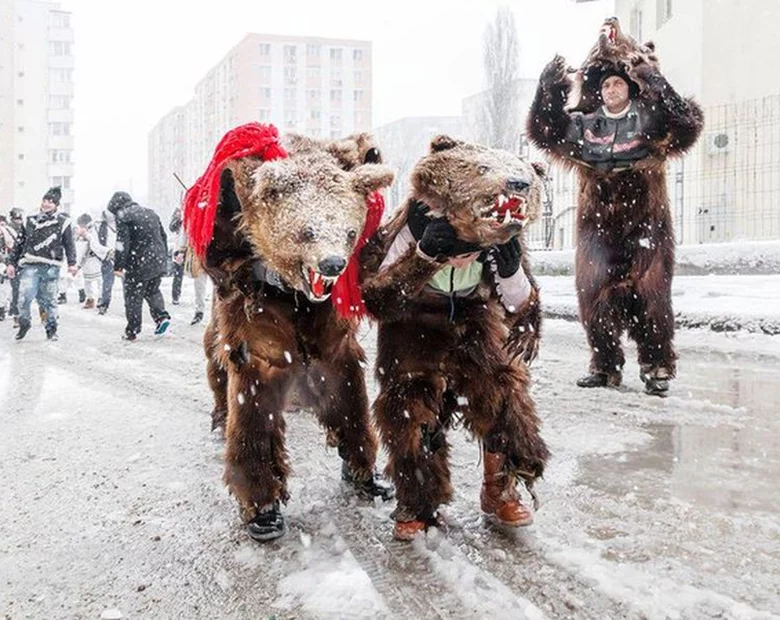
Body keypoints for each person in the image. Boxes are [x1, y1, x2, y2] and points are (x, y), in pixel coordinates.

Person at [526, 23, 703, 396]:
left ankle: (656, 366)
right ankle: (604, 365)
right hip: (597, 224)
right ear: (598, 89)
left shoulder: (652, 117)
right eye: (605, 85)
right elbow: (545, 131)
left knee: (653, 295)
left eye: (618, 83)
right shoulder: (583, 125)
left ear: (630, 86)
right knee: (594, 293)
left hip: (646, 219)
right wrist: (548, 88)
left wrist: (653, 77)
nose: (611, 89)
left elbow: (686, 124)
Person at [7, 187, 77, 340]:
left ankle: (51, 330)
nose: (46, 204)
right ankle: (24, 323)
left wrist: (72, 263)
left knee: (49, 300)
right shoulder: (31, 220)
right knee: (24, 297)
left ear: (56, 205)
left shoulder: (63, 222)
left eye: (50, 202)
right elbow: (20, 242)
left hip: (51, 265)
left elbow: (69, 244)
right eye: (45, 200)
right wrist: (12, 262)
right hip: (30, 264)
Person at [107, 191, 171, 341]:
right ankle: (162, 318)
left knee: (133, 296)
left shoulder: (124, 216)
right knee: (152, 291)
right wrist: (163, 257)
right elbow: (163, 236)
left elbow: (122, 244)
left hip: (138, 263)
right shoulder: (151, 213)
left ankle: (132, 330)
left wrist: (118, 266)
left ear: (117, 207)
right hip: (157, 260)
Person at [74, 214, 110, 309]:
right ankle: (90, 299)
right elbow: (79, 248)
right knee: (87, 281)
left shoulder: (93, 231)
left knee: (99, 280)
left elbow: (95, 244)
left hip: (94, 259)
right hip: (86, 261)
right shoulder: (81, 234)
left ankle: (101, 298)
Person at [96, 210, 117, 315]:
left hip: (119, 256)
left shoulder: (122, 224)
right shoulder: (101, 227)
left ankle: (130, 305)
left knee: (125, 283)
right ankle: (104, 304)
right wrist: (106, 252)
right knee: (107, 283)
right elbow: (98, 243)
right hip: (108, 257)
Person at [7, 207, 24, 324]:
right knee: (16, 290)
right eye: (16, 218)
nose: (18, 221)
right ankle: (16, 314)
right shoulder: (7, 230)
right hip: (12, 262)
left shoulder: (25, 230)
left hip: (24, 262)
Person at [0, 215, 18, 321]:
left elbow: (15, 246)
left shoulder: (9, 234)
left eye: (2, 225)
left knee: (8, 289)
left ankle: (10, 309)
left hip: (8, 264)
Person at [169, 207, 185, 305]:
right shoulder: (178, 214)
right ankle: (175, 296)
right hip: (178, 249)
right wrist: (178, 218)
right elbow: (172, 227)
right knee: (178, 275)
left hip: (187, 248)